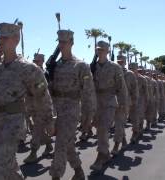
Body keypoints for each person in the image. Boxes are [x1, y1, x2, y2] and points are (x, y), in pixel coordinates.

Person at [0, 22, 54, 180]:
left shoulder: (28, 68)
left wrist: (49, 121)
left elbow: (42, 96)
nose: (0, 41)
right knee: (8, 167)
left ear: (15, 39)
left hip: (12, 124)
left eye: (4, 38)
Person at [48, 29, 96, 180]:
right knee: (67, 145)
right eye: (60, 42)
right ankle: (79, 171)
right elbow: (48, 89)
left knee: (60, 145)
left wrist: (88, 117)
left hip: (71, 111)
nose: (61, 45)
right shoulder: (54, 66)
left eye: (64, 42)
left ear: (72, 43)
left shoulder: (81, 66)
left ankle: (55, 176)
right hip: (56, 111)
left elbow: (88, 93)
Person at [90, 41, 127, 171]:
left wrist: (123, 104)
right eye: (97, 49)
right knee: (99, 129)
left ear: (107, 51)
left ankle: (101, 155)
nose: (99, 51)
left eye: (102, 49)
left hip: (110, 101)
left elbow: (121, 88)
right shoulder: (92, 67)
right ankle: (105, 153)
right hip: (97, 102)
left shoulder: (115, 67)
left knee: (103, 128)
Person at [24, 53, 54, 164]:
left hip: (42, 104)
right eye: (34, 60)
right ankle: (49, 144)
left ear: (42, 61)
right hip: (32, 104)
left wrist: (33, 89)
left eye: (38, 60)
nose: (35, 62)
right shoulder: (30, 72)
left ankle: (33, 152)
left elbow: (43, 85)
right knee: (37, 128)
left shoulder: (44, 72)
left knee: (37, 128)